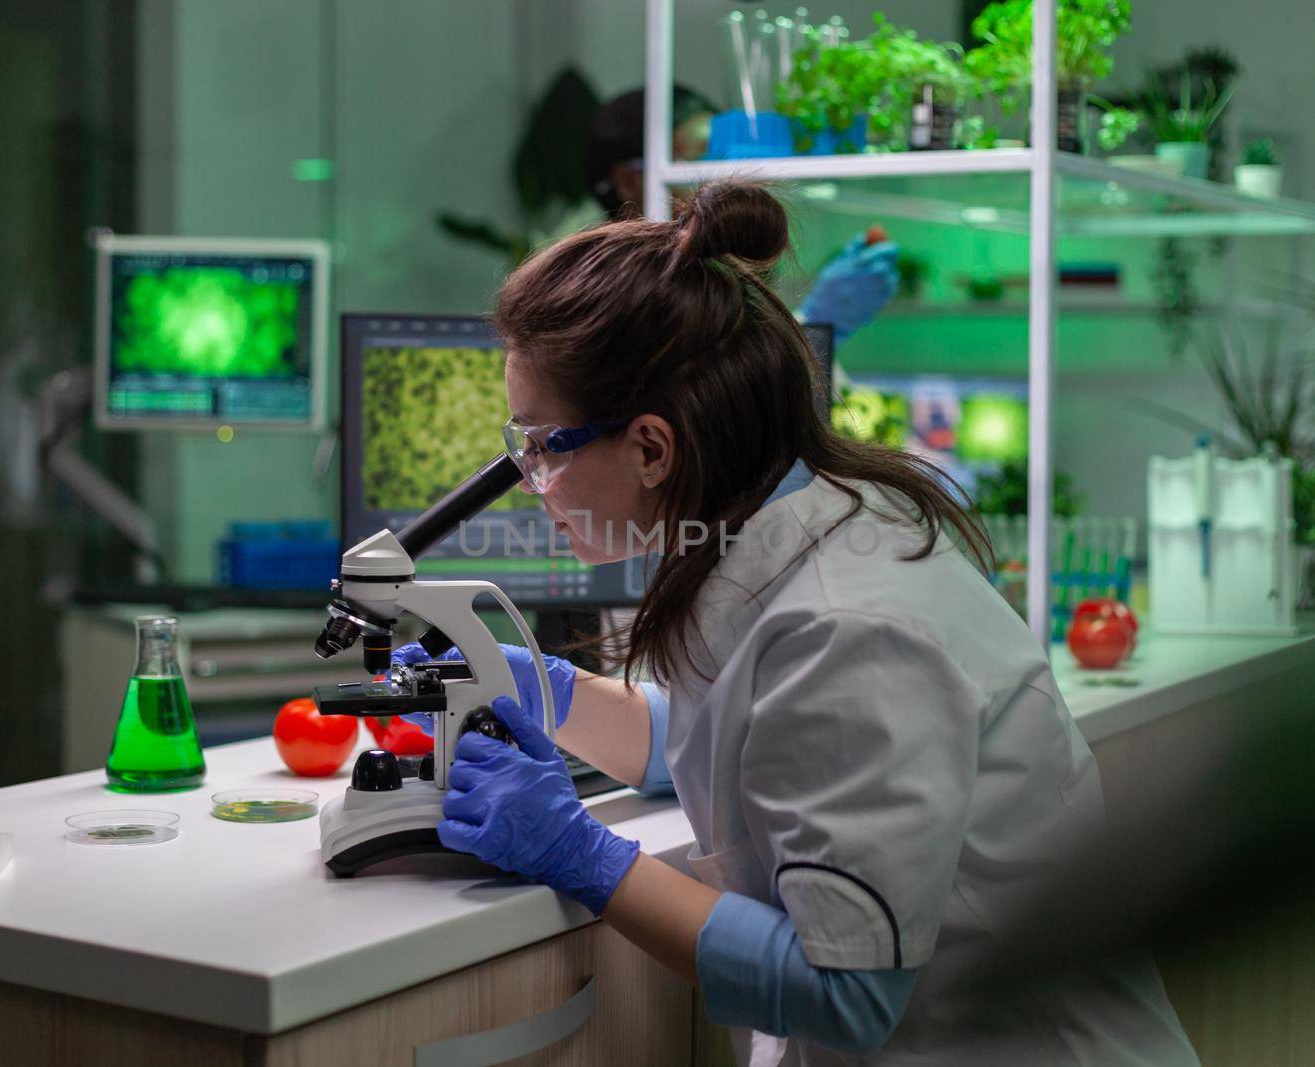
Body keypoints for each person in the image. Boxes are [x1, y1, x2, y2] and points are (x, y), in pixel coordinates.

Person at [393, 181, 1199, 1064]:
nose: (530, 479)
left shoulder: (850, 626)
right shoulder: (785, 530)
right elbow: (729, 746)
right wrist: (543, 691)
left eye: (541, 447)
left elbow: (844, 993)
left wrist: (580, 853)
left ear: (654, 447)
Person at [579, 86, 898, 345]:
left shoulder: (711, 274)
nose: (723, 184)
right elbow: (727, 402)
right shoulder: (606, 291)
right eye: (703, 155)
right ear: (629, 181)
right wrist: (816, 324)